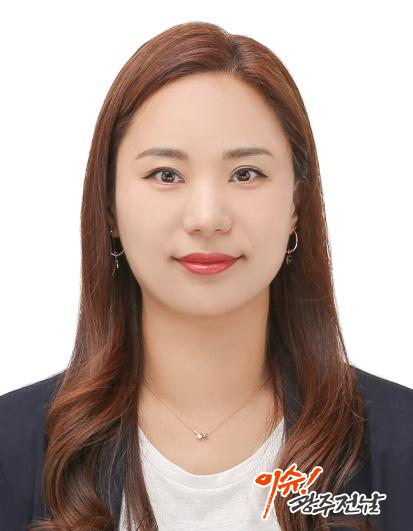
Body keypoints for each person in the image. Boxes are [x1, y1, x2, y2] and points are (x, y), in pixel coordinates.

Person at [0, 21, 412, 531]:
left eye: (246, 174)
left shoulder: (401, 443)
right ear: (108, 207)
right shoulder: (12, 449)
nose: (207, 217)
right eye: (166, 175)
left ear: (296, 206)